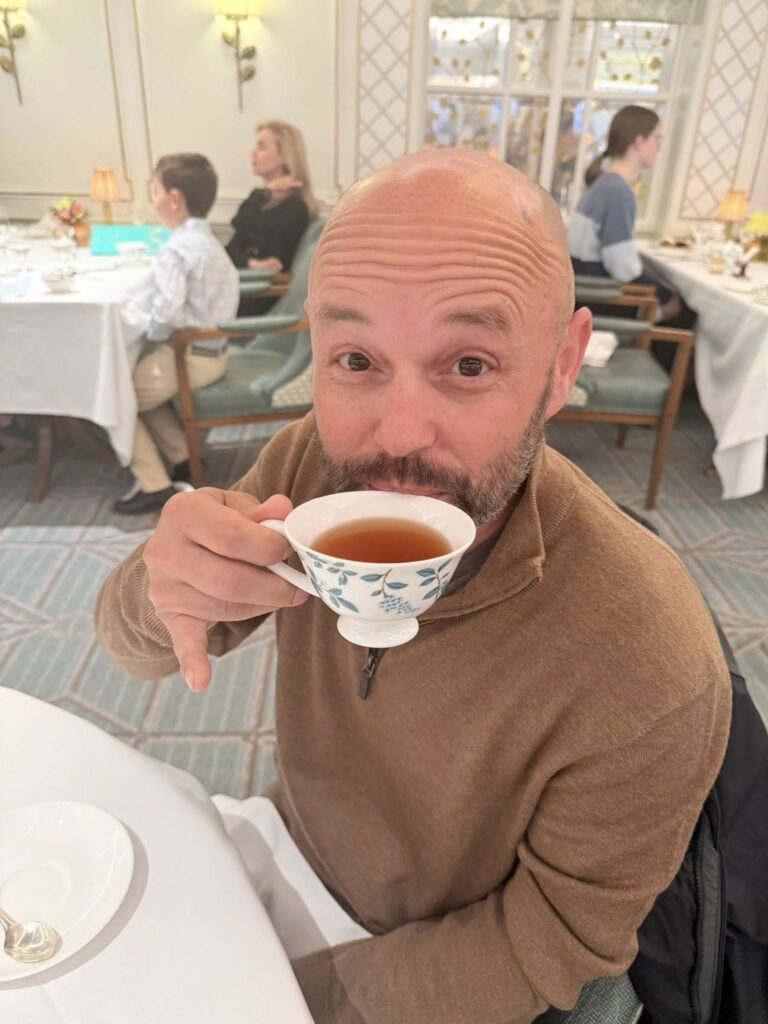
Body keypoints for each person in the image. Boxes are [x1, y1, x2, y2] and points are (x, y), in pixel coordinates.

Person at [95, 149, 731, 1023]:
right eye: (356, 358)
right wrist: (158, 585)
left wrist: (285, 1000)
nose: (396, 436)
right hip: (296, 849)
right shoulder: (306, 467)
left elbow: (555, 940)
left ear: (561, 365)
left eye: (469, 365)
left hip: (449, 963)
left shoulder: (651, 657)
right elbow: (135, 647)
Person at [114, 153, 239, 515]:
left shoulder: (176, 249)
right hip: (214, 352)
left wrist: (150, 336)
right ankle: (184, 458)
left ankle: (154, 484)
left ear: (174, 199)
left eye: (155, 191)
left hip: (190, 358)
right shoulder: (208, 241)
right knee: (140, 392)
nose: (152, 200)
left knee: (119, 397)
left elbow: (168, 311)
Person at [567, 105, 684, 323]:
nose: (659, 147)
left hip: (587, 296)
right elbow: (622, 267)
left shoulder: (604, 183)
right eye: (657, 138)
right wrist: (666, 296)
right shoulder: (617, 192)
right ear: (639, 141)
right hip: (602, 301)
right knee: (684, 310)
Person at [226, 121, 319, 315]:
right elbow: (231, 247)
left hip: (260, 296)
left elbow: (240, 221)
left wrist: (264, 191)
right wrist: (252, 263)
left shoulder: (295, 209)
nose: (253, 153)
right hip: (242, 283)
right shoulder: (262, 201)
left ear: (284, 156)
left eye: (261, 147)